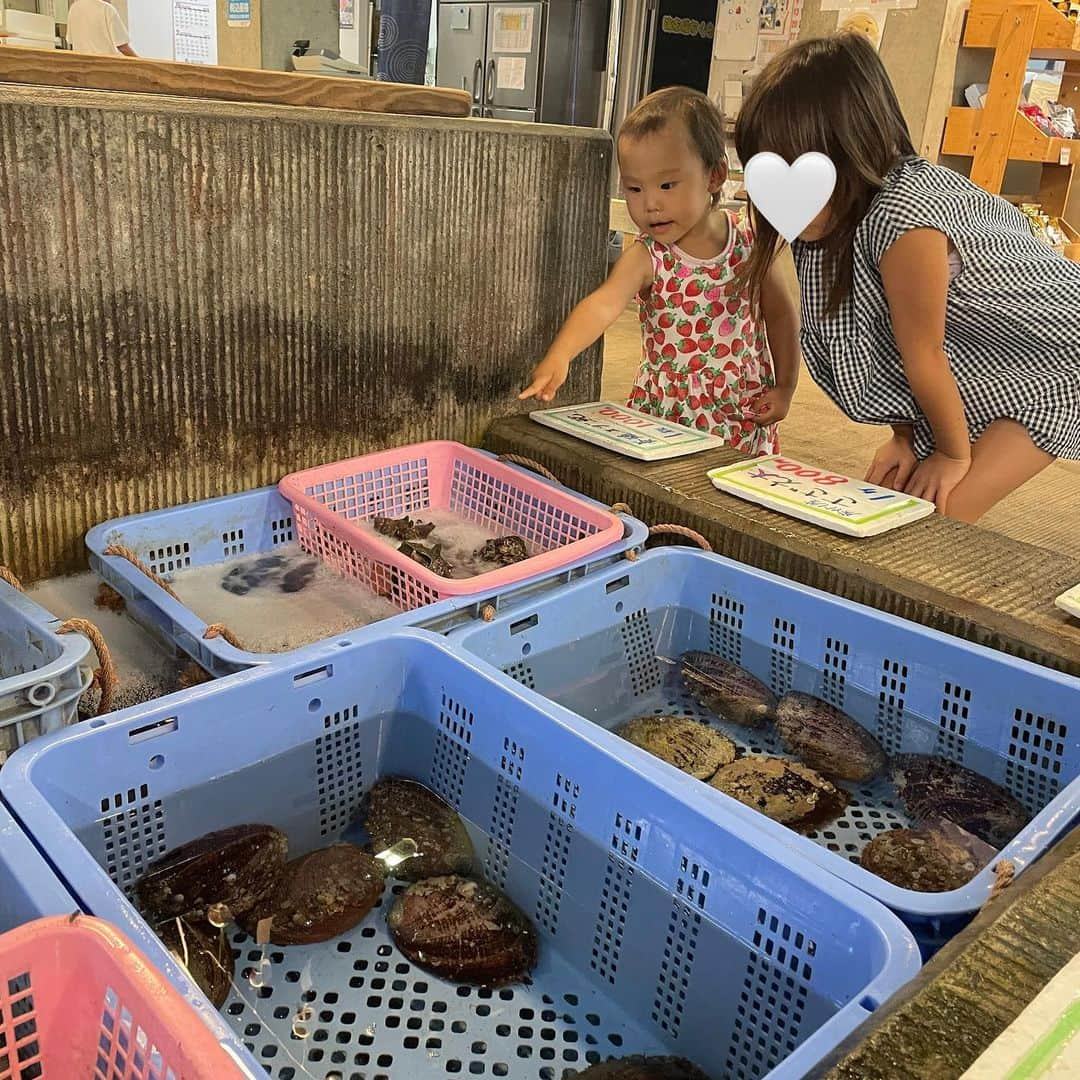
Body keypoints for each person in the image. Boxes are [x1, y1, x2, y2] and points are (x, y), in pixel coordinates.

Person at [734, 32, 1080, 521]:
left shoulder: (905, 217)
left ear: (853, 149)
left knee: (938, 515)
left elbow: (925, 354)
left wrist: (951, 454)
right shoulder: (827, 218)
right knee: (895, 503)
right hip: (991, 353)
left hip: (1062, 358)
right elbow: (881, 342)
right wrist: (905, 437)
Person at [521, 86, 799, 456]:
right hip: (665, 418)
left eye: (667, 185)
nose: (650, 204)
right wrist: (561, 354)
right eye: (634, 188)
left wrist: (785, 388)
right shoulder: (650, 256)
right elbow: (604, 303)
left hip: (742, 416)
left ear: (714, 176)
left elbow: (781, 317)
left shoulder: (749, 243)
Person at [67, 0, 138, 57]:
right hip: (105, 67)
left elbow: (71, 41)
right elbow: (123, 47)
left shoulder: (74, 8)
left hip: (81, 67)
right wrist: (144, 64)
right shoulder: (107, 9)